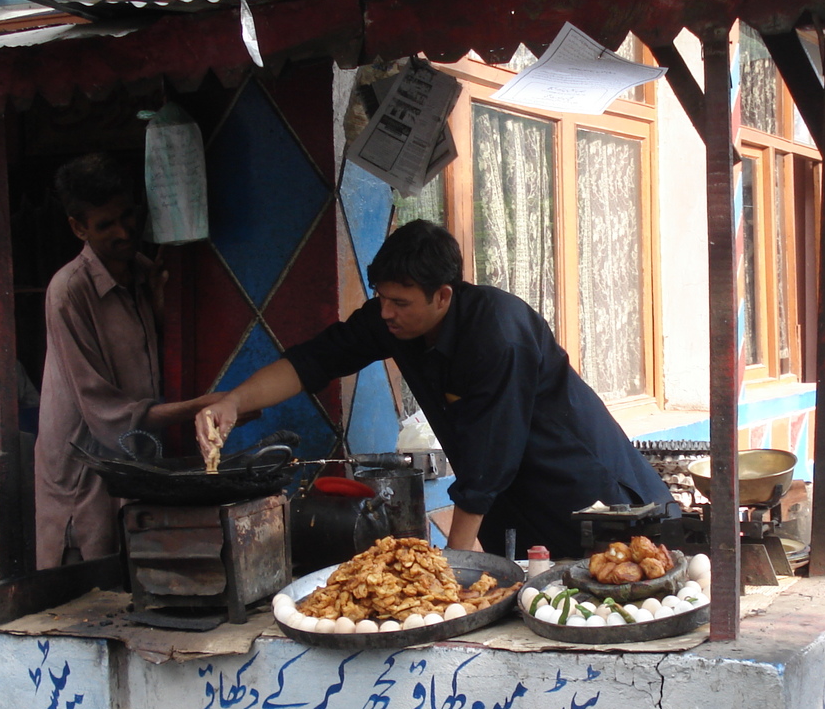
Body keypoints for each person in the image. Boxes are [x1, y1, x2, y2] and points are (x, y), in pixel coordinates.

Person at [197, 219, 671, 558]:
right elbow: (315, 360)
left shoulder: (498, 335)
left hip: (590, 500)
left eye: (399, 302)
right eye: (381, 298)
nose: (385, 313)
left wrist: (449, 569)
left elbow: (489, 460)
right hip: (509, 508)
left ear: (443, 295)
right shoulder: (395, 320)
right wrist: (233, 402)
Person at [35, 154, 223, 567]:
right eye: (106, 225)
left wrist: (158, 307)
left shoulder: (142, 273)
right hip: (82, 481)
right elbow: (107, 415)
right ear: (77, 227)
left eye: (127, 216)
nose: (124, 232)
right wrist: (202, 406)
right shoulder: (68, 292)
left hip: (134, 470)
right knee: (86, 600)